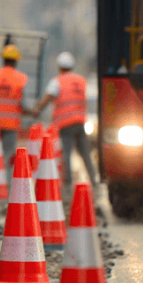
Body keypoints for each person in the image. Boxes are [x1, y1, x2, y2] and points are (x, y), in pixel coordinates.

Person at [32, 51, 98, 187]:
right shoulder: (81, 81)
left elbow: (47, 98)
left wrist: (37, 110)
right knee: (85, 153)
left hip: (65, 123)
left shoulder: (57, 82)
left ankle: (67, 182)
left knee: (66, 154)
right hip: (80, 121)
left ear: (59, 66)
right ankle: (94, 180)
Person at [0, 45, 28, 168]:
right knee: (7, 157)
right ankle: (5, 184)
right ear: (16, 61)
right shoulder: (21, 79)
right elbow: (24, 105)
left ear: (3, 59)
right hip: (11, 125)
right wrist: (32, 112)